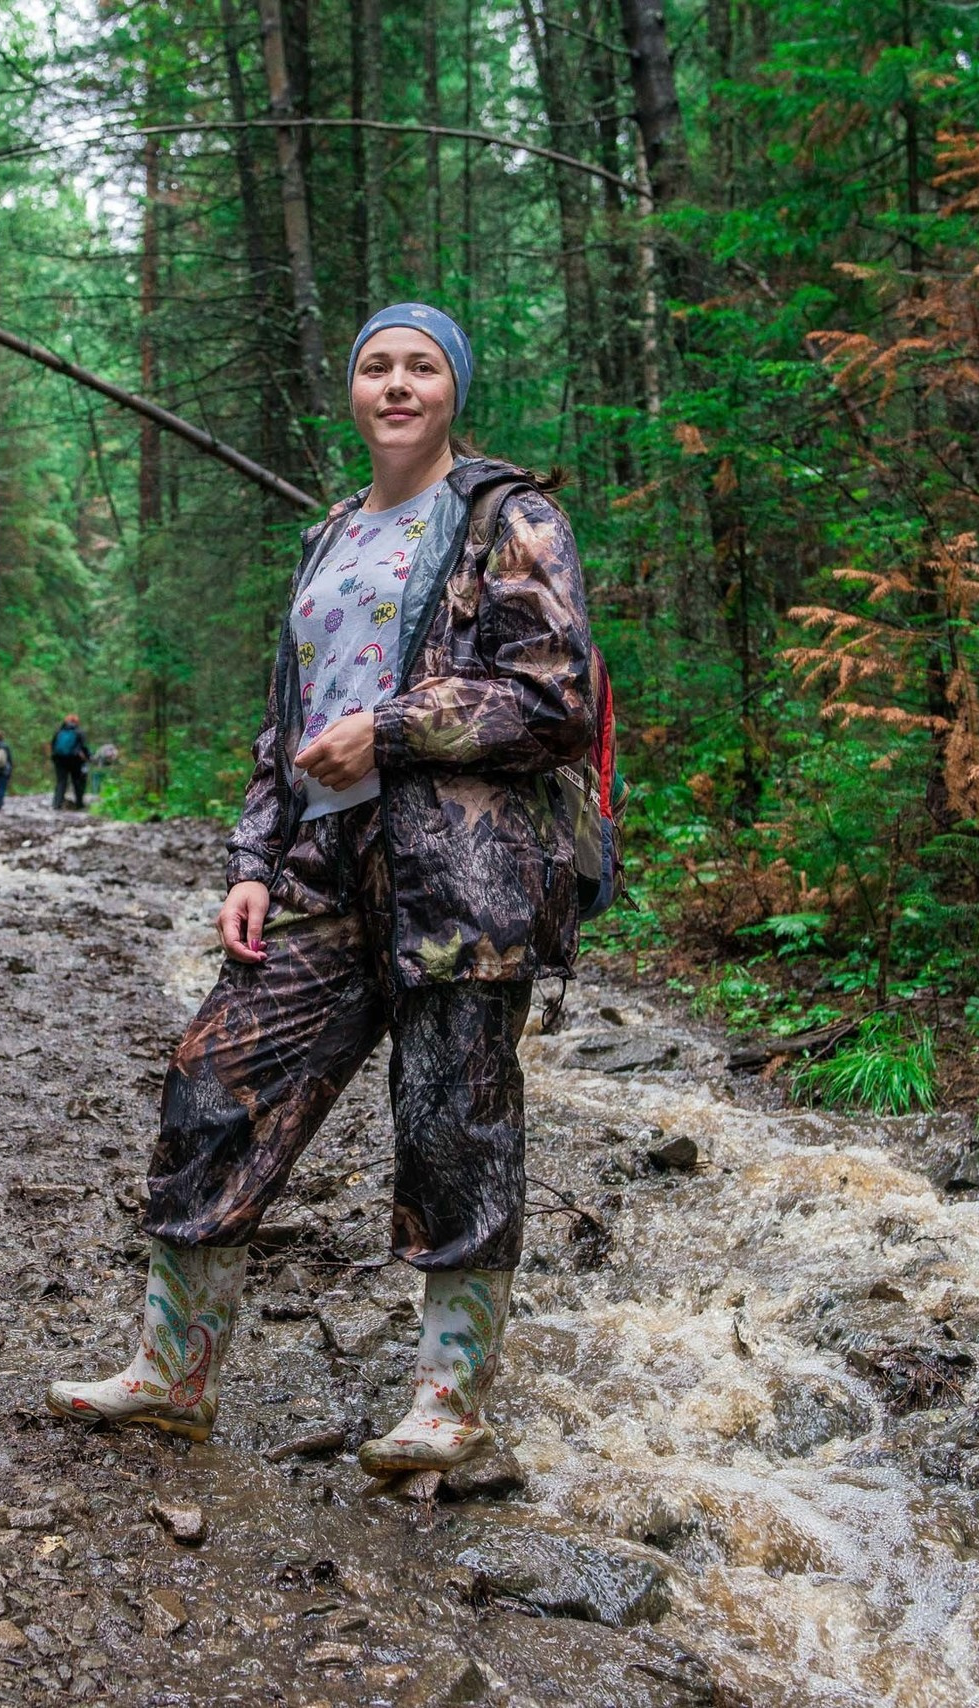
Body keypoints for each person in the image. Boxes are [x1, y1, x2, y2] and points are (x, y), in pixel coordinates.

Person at [46, 303, 596, 1474]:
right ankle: (170, 1373)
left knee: (453, 1124)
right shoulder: (331, 536)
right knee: (213, 1084)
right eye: (376, 366)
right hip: (316, 866)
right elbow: (284, 725)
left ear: (456, 387)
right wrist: (251, 863)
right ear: (353, 392)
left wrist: (390, 732)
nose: (397, 384)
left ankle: (449, 1402)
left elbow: (556, 698)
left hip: (462, 871)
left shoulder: (510, 518)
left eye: (422, 365)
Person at [50, 714, 90, 810]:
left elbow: (53, 745)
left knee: (61, 782)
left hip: (59, 759)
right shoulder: (79, 732)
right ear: (77, 722)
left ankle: (57, 804)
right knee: (77, 782)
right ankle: (79, 804)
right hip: (75, 760)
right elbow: (84, 747)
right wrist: (88, 757)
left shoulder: (59, 731)